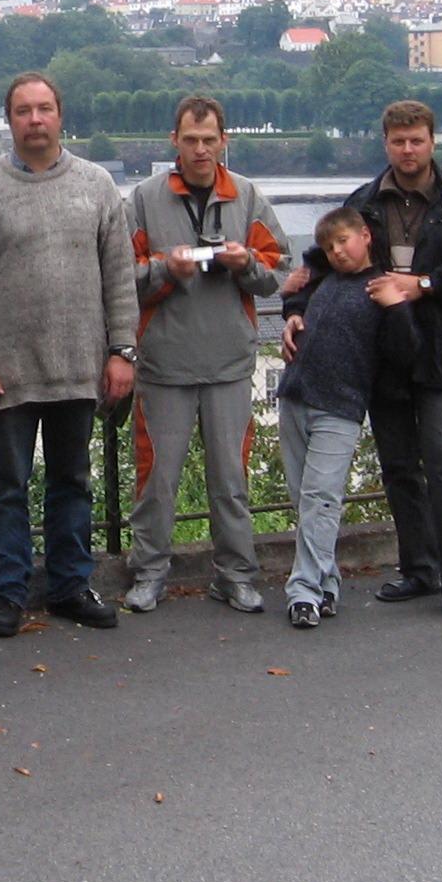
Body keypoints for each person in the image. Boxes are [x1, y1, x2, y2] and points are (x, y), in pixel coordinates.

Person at [0, 73, 138, 638]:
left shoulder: (97, 184)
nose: (35, 119)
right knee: (7, 485)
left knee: (73, 481)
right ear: (9, 120)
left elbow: (120, 277)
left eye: (44, 109)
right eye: (23, 111)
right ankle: (6, 591)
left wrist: (122, 351)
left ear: (60, 115)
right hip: (8, 372)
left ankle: (70, 586)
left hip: (79, 366)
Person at [314, 99, 442, 630]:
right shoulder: (363, 202)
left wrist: (424, 284)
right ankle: (420, 568)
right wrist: (294, 308)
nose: (407, 150)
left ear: (432, 141)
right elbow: (326, 260)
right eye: (398, 142)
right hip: (385, 355)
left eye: (416, 141)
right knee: (399, 467)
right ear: (386, 143)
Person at [123, 96, 289, 614]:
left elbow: (279, 270)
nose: (200, 149)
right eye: (191, 140)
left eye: (209, 140)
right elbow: (119, 278)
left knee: (231, 481)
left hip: (228, 363)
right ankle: (149, 573)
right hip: (164, 363)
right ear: (174, 140)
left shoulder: (247, 195)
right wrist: (164, 270)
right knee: (156, 480)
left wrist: (244, 263)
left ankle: (236, 575)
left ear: (224, 141)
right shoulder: (144, 199)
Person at [275, 208, 416, 628]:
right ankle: (327, 583)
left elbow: (407, 351)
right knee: (304, 498)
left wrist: (397, 308)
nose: (337, 251)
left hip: (340, 406)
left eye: (343, 241)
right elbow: (296, 295)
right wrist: (292, 312)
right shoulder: (323, 280)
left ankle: (303, 592)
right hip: (295, 396)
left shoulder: (379, 287)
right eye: (329, 246)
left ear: (365, 236)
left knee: (321, 498)